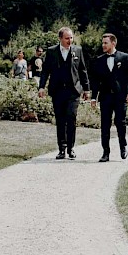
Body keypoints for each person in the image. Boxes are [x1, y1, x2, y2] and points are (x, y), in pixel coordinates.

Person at [38, 27, 90, 160]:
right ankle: (62, 148)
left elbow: (82, 70)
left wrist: (87, 89)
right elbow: (45, 71)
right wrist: (42, 87)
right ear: (60, 38)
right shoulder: (51, 52)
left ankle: (71, 148)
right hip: (57, 91)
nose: (70, 40)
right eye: (67, 38)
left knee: (71, 117)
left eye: (71, 37)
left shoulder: (78, 50)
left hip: (73, 91)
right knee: (60, 120)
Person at [90, 33, 128, 162]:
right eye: (102, 43)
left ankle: (123, 147)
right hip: (105, 97)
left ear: (113, 43)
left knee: (120, 122)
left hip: (120, 97)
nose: (103, 45)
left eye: (106, 43)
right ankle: (105, 152)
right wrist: (94, 97)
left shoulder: (124, 57)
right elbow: (96, 81)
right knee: (105, 124)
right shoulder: (99, 60)